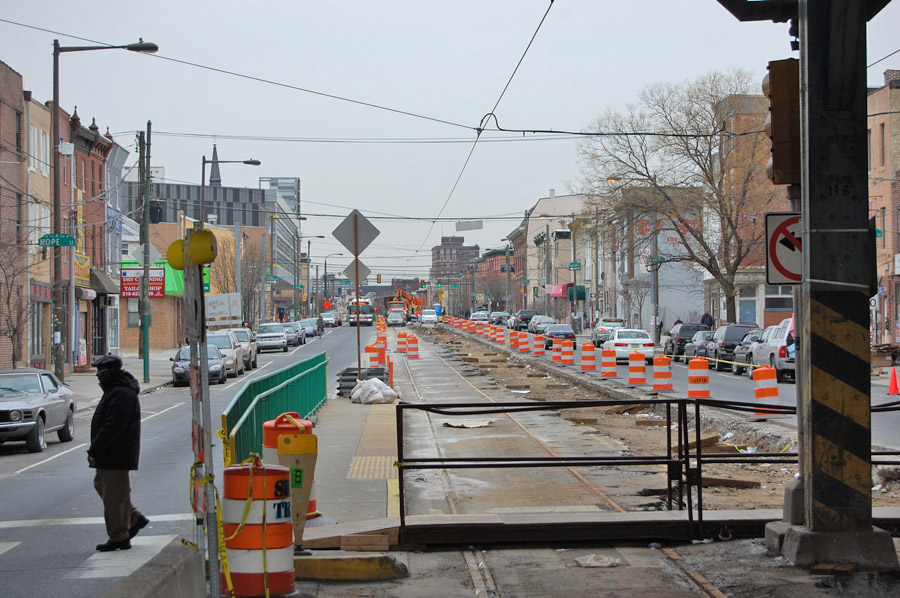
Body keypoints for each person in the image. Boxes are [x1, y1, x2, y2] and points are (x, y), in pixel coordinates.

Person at [88, 355, 148, 552]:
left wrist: (95, 449)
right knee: (104, 487)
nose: (98, 376)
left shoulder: (121, 393)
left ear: (110, 372)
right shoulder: (116, 391)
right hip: (112, 454)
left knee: (113, 497)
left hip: (116, 454)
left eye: (101, 372)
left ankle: (118, 536)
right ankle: (132, 518)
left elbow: (113, 427)